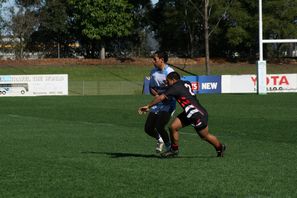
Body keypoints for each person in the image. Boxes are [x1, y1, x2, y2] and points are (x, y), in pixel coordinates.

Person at [138, 71, 226, 157]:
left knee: (204, 136)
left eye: (168, 81)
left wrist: (148, 106)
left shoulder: (175, 87)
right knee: (173, 127)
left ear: (173, 80)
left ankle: (220, 147)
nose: (167, 83)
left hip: (197, 114)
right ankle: (174, 150)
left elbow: (161, 97)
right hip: (189, 112)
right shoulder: (185, 83)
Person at [144, 51, 176, 153]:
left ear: (161, 60)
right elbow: (151, 88)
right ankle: (160, 139)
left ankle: (169, 147)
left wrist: (164, 97)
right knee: (148, 128)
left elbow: (175, 90)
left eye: (155, 59)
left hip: (169, 104)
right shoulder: (153, 72)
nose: (153, 61)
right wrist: (157, 96)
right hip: (158, 103)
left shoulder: (170, 72)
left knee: (159, 126)